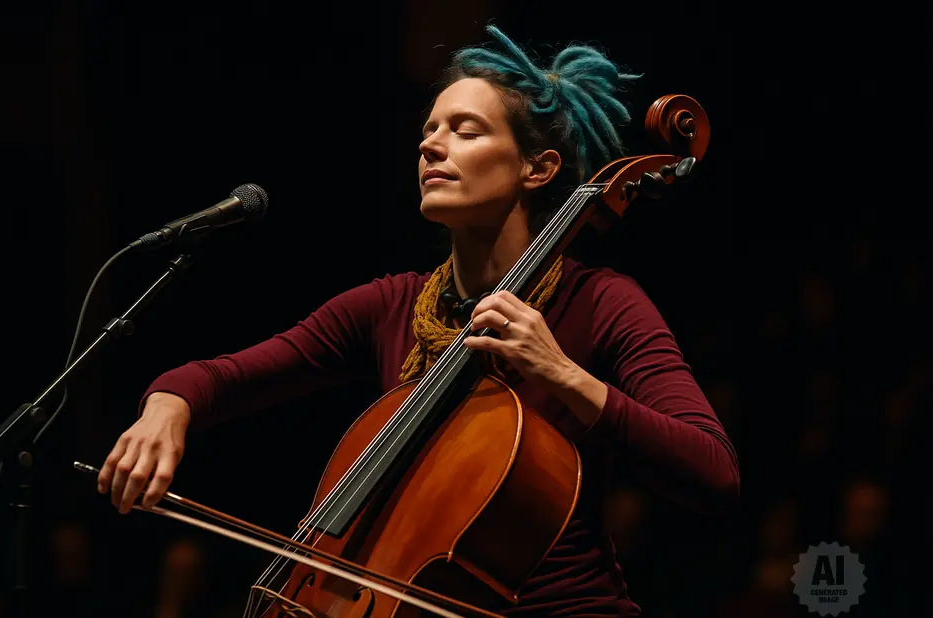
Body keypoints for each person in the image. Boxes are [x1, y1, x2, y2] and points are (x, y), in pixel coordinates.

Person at [97, 24, 740, 617]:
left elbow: (713, 472)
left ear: (537, 168)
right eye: (430, 129)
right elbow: (220, 378)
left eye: (466, 131)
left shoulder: (601, 302)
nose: (431, 144)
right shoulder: (392, 305)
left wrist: (562, 373)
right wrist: (167, 407)